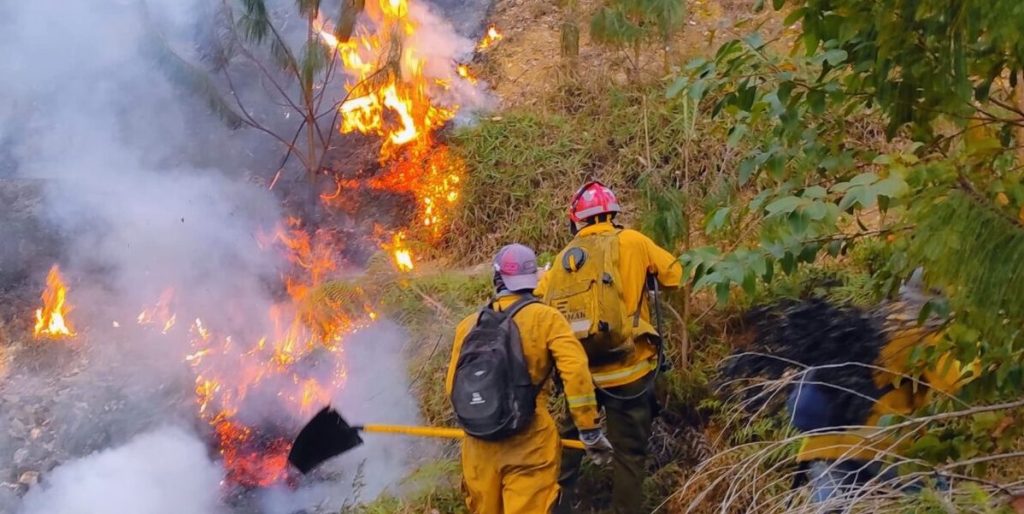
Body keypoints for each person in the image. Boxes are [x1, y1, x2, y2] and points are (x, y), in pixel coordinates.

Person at [537, 181, 683, 514]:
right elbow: (675, 275)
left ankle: (553, 508)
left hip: (581, 378)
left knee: (567, 450)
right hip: (630, 372)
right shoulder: (632, 241)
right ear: (612, 213)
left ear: (577, 220)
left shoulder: (563, 259)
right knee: (629, 455)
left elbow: (539, 301)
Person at [446, 243, 613, 514]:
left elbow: (452, 386)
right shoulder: (546, 318)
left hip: (478, 446)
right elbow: (576, 372)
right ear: (532, 279)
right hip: (529, 442)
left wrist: (484, 416)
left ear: (496, 278)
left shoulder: (469, 325)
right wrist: (589, 429)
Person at [795, 269, 973, 508]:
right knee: (933, 503)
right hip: (881, 444)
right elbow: (953, 383)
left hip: (822, 443)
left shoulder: (874, 320)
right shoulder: (921, 334)